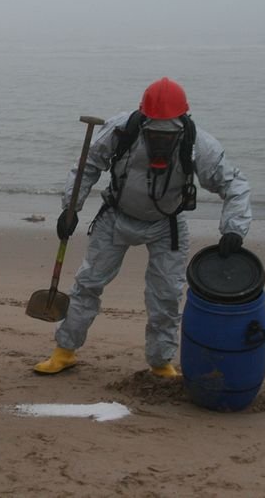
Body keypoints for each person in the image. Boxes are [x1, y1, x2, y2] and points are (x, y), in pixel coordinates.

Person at [34, 77, 252, 378]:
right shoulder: (122, 128)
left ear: (183, 120)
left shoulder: (199, 144)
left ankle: (161, 362)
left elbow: (235, 184)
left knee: (166, 296)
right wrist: (71, 207)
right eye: (155, 132)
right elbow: (87, 165)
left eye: (168, 133)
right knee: (88, 283)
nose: (161, 139)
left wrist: (233, 229)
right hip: (115, 216)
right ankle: (64, 351)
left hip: (167, 225)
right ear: (144, 119)